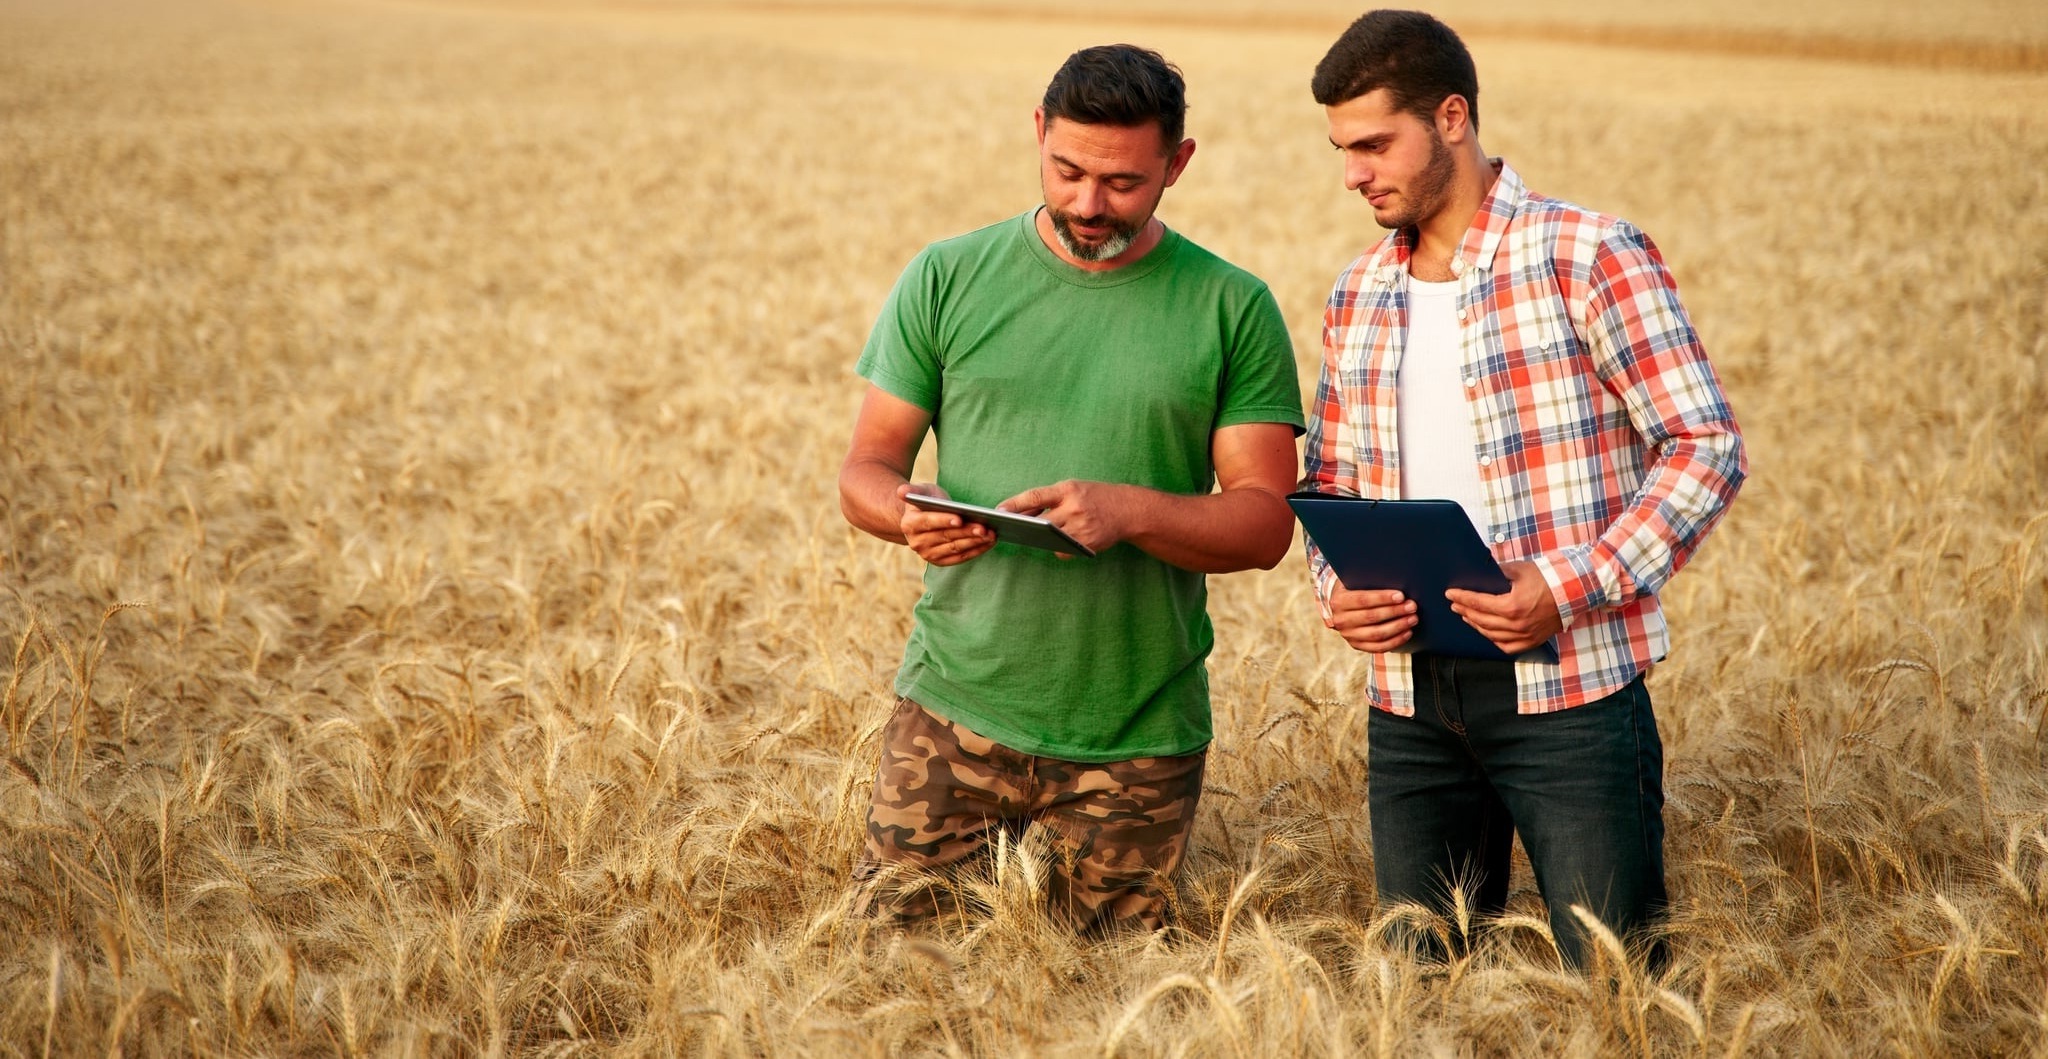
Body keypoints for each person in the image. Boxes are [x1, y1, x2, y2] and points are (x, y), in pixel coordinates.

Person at [1300, 10, 1746, 968]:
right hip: (1409, 699)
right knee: (1413, 989)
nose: (1353, 173)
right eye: (1341, 149)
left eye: (1374, 143)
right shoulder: (1357, 294)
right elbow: (1329, 484)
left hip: (1574, 696)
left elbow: (1705, 445)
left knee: (1617, 981)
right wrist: (1336, 590)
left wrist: (1568, 585)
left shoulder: (1588, 255)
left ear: (1452, 117)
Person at [837, 44, 1305, 933]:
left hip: (1138, 737)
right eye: (1068, 170)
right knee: (898, 974)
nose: (1089, 204)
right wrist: (907, 514)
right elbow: (865, 468)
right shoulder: (947, 276)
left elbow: (1264, 525)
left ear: (1179, 162)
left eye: (1124, 182)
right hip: (952, 712)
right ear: (1039, 132)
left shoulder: (1231, 307)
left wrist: (1127, 511)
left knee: (1110, 994)